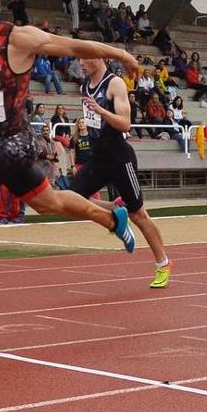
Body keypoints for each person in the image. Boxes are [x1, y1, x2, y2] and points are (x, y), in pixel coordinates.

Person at [0, 0, 140, 314]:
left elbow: (72, 46)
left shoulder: (18, 38)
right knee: (51, 203)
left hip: (17, 144)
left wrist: (119, 53)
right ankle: (112, 219)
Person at [72, 57, 173, 288]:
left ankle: (163, 262)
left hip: (120, 158)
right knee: (71, 200)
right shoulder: (85, 85)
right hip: (99, 158)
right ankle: (115, 214)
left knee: (138, 215)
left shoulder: (114, 83)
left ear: (97, 57)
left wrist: (101, 111)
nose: (80, 63)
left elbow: (125, 124)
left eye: (84, 58)